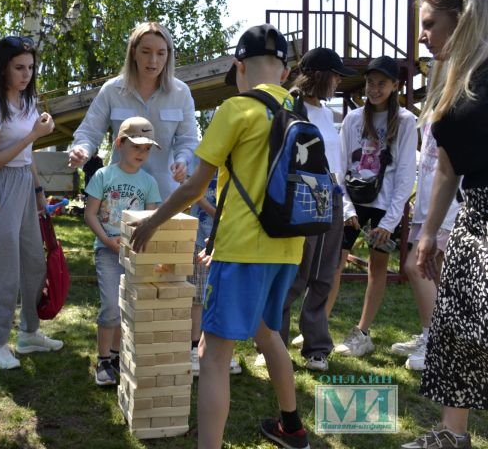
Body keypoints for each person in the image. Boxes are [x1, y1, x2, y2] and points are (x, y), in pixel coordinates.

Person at [131, 24, 311, 449]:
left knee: (212, 356)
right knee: (269, 333)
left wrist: (153, 222)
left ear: (238, 67)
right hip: (288, 248)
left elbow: (197, 187)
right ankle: (292, 427)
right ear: (284, 72)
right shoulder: (297, 111)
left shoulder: (236, 109)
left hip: (243, 250)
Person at [402, 0, 488, 449]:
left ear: (464, 18)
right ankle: (453, 437)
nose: (422, 35)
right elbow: (449, 166)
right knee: (456, 328)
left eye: (430, 24)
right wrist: (428, 232)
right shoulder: (456, 80)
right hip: (473, 214)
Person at [0, 36, 63, 371]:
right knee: (4, 270)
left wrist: (39, 191)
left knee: (33, 262)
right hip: (1, 185)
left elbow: (28, 155)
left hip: (25, 185)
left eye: (30, 67)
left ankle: (28, 332)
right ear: (3, 67)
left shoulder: (28, 102)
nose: (26, 74)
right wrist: (33, 136)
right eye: (19, 67)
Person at [329, 55, 417, 357]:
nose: (374, 88)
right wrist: (348, 209)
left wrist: (390, 223)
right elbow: (339, 166)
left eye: (382, 83)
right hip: (353, 199)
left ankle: (362, 333)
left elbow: (406, 174)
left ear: (395, 85)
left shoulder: (405, 121)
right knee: (334, 263)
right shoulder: (354, 119)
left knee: (377, 268)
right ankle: (317, 326)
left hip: (385, 206)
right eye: (370, 82)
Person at [277, 48, 356, 372]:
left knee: (324, 276)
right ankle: (274, 345)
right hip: (300, 196)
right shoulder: (288, 105)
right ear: (321, 75)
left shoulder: (326, 112)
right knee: (294, 275)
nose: (338, 82)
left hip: (331, 196)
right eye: (336, 75)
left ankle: (316, 349)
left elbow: (336, 163)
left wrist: (345, 203)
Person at [67, 21, 198, 200]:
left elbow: (188, 140)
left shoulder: (181, 93)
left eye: (161, 53)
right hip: (119, 195)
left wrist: (182, 161)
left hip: (164, 196)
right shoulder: (111, 90)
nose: (153, 61)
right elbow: (89, 132)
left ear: (168, 55)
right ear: (133, 52)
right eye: (146, 52)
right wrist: (81, 150)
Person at [84, 117, 162, 386]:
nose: (142, 153)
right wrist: (106, 239)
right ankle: (103, 360)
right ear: (119, 144)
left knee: (125, 306)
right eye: (136, 147)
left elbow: (151, 217)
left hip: (133, 253)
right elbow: (90, 214)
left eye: (147, 148)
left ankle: (117, 356)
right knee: (110, 307)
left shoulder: (149, 182)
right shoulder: (103, 176)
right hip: (107, 251)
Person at [389, 121, 460, 371]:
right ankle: (448, 339)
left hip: (447, 209)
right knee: (437, 275)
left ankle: (434, 342)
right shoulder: (435, 103)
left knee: (415, 267)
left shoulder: (461, 100)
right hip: (427, 207)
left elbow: (456, 166)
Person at [186, 157, 242, 376]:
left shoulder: (240, 165)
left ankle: (223, 351)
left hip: (228, 244)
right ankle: (193, 348)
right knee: (198, 296)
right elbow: (193, 193)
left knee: (224, 295)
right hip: (200, 240)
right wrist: (218, 215)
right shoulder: (201, 162)